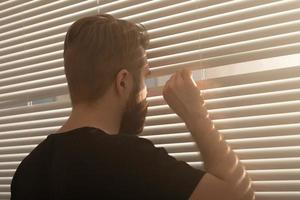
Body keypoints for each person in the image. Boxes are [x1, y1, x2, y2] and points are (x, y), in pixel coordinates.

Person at [10, 14, 255, 200]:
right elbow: (237, 195)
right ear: (123, 81)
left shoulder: (27, 171)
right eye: (145, 78)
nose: (147, 91)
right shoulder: (128, 159)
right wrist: (196, 114)